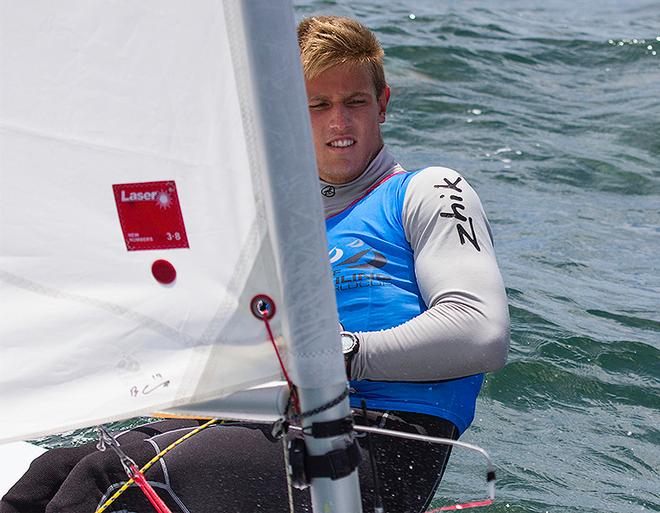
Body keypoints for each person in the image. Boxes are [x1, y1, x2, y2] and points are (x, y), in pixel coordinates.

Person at [0, 15, 509, 513]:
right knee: (54, 472)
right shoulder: (274, 223)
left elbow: (479, 331)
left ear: (383, 103)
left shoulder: (425, 191)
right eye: (318, 104)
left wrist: (338, 354)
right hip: (264, 424)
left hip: (375, 438)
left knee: (116, 479)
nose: (340, 121)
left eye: (355, 101)